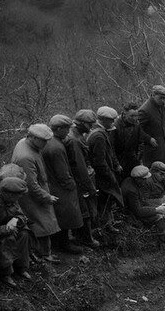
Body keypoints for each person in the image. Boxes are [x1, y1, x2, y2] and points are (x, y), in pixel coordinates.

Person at [11, 123, 62, 264]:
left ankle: (41, 254)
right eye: (44, 140)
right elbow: (31, 185)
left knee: (41, 224)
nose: (46, 143)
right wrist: (47, 197)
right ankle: (43, 255)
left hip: (35, 191)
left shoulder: (26, 144)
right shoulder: (26, 156)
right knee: (42, 225)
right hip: (31, 197)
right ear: (33, 137)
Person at [42, 114, 84, 254]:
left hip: (52, 184)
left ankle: (59, 243)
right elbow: (62, 172)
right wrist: (71, 184)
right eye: (66, 129)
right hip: (60, 187)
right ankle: (64, 244)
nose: (68, 132)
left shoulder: (50, 142)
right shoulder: (57, 147)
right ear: (58, 128)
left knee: (60, 215)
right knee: (66, 215)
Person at [121, 165, 165, 258]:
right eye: (144, 179)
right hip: (132, 214)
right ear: (138, 179)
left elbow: (143, 200)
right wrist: (156, 209)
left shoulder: (135, 182)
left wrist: (160, 202)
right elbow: (138, 211)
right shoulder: (131, 191)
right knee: (160, 216)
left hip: (140, 207)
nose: (146, 181)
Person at [88, 106, 126, 234]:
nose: (113, 122)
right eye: (110, 120)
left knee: (108, 199)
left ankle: (109, 222)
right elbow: (100, 161)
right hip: (101, 175)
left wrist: (116, 164)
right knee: (104, 200)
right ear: (103, 120)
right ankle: (105, 226)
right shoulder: (98, 136)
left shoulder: (102, 132)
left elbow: (110, 152)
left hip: (106, 171)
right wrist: (110, 175)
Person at [67, 109, 100, 247]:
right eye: (89, 124)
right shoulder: (74, 140)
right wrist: (90, 187)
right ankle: (86, 239)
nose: (91, 127)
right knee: (84, 210)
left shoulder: (78, 135)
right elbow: (80, 167)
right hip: (79, 181)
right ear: (79, 123)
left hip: (82, 178)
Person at [138, 85, 165, 174]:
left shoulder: (162, 106)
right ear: (153, 95)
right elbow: (137, 129)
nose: (163, 101)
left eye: (164, 98)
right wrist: (148, 138)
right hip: (154, 147)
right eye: (161, 98)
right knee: (156, 170)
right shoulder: (144, 110)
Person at [114, 102, 154, 180]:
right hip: (120, 161)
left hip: (133, 159)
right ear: (124, 114)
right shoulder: (116, 126)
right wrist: (116, 164)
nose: (134, 118)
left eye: (136, 116)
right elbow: (111, 147)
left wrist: (138, 158)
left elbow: (140, 142)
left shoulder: (137, 124)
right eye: (131, 116)